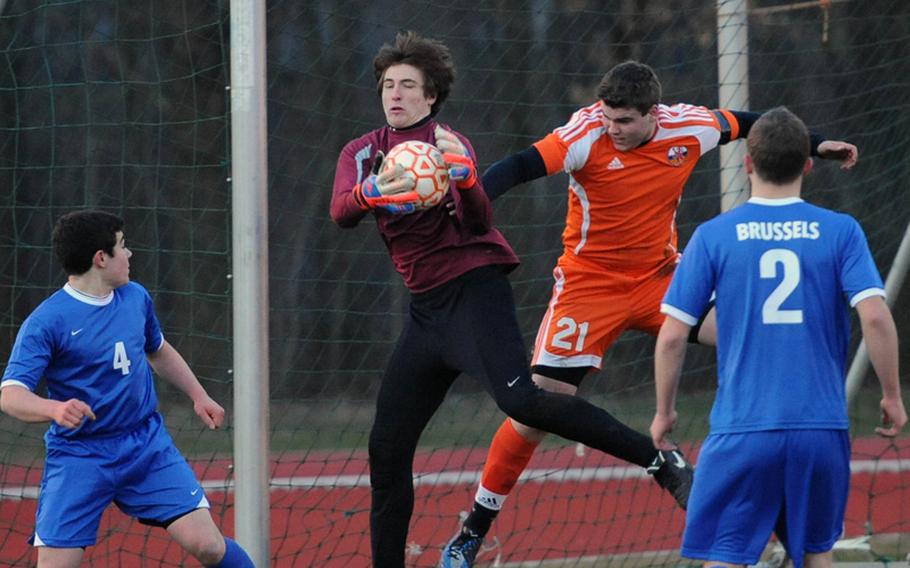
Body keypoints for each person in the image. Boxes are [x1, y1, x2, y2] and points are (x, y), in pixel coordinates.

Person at [440, 61, 860, 566]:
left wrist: (818, 143)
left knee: (753, 337)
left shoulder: (689, 126)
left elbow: (751, 124)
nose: (611, 128)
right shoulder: (585, 132)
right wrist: (472, 201)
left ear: (653, 115)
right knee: (535, 411)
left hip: (663, 280)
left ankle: (779, 502)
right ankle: (473, 529)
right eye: (607, 118)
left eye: (623, 122)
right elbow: (518, 166)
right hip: (588, 285)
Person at [330, 33, 697, 568]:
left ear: (431, 97)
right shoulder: (362, 152)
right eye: (389, 85)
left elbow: (479, 219)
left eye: (409, 85)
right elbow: (342, 211)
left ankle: (658, 461)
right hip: (425, 312)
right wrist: (374, 193)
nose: (396, 94)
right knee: (386, 450)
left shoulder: (450, 145)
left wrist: (463, 180)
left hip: (475, 291)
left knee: (522, 402)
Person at [650, 106, 906, 568]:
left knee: (725, 557)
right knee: (815, 556)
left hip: (742, 429)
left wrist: (664, 412)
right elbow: (876, 317)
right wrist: (891, 394)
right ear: (808, 164)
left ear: (747, 162)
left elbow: (671, 338)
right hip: (820, 429)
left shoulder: (712, 237)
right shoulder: (841, 231)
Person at [0, 211, 255, 568]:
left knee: (209, 545)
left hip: (145, 446)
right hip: (80, 456)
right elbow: (10, 394)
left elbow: (158, 350)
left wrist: (199, 395)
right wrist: (53, 409)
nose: (130, 254)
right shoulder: (47, 321)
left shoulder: (135, 298)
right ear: (100, 258)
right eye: (123, 246)